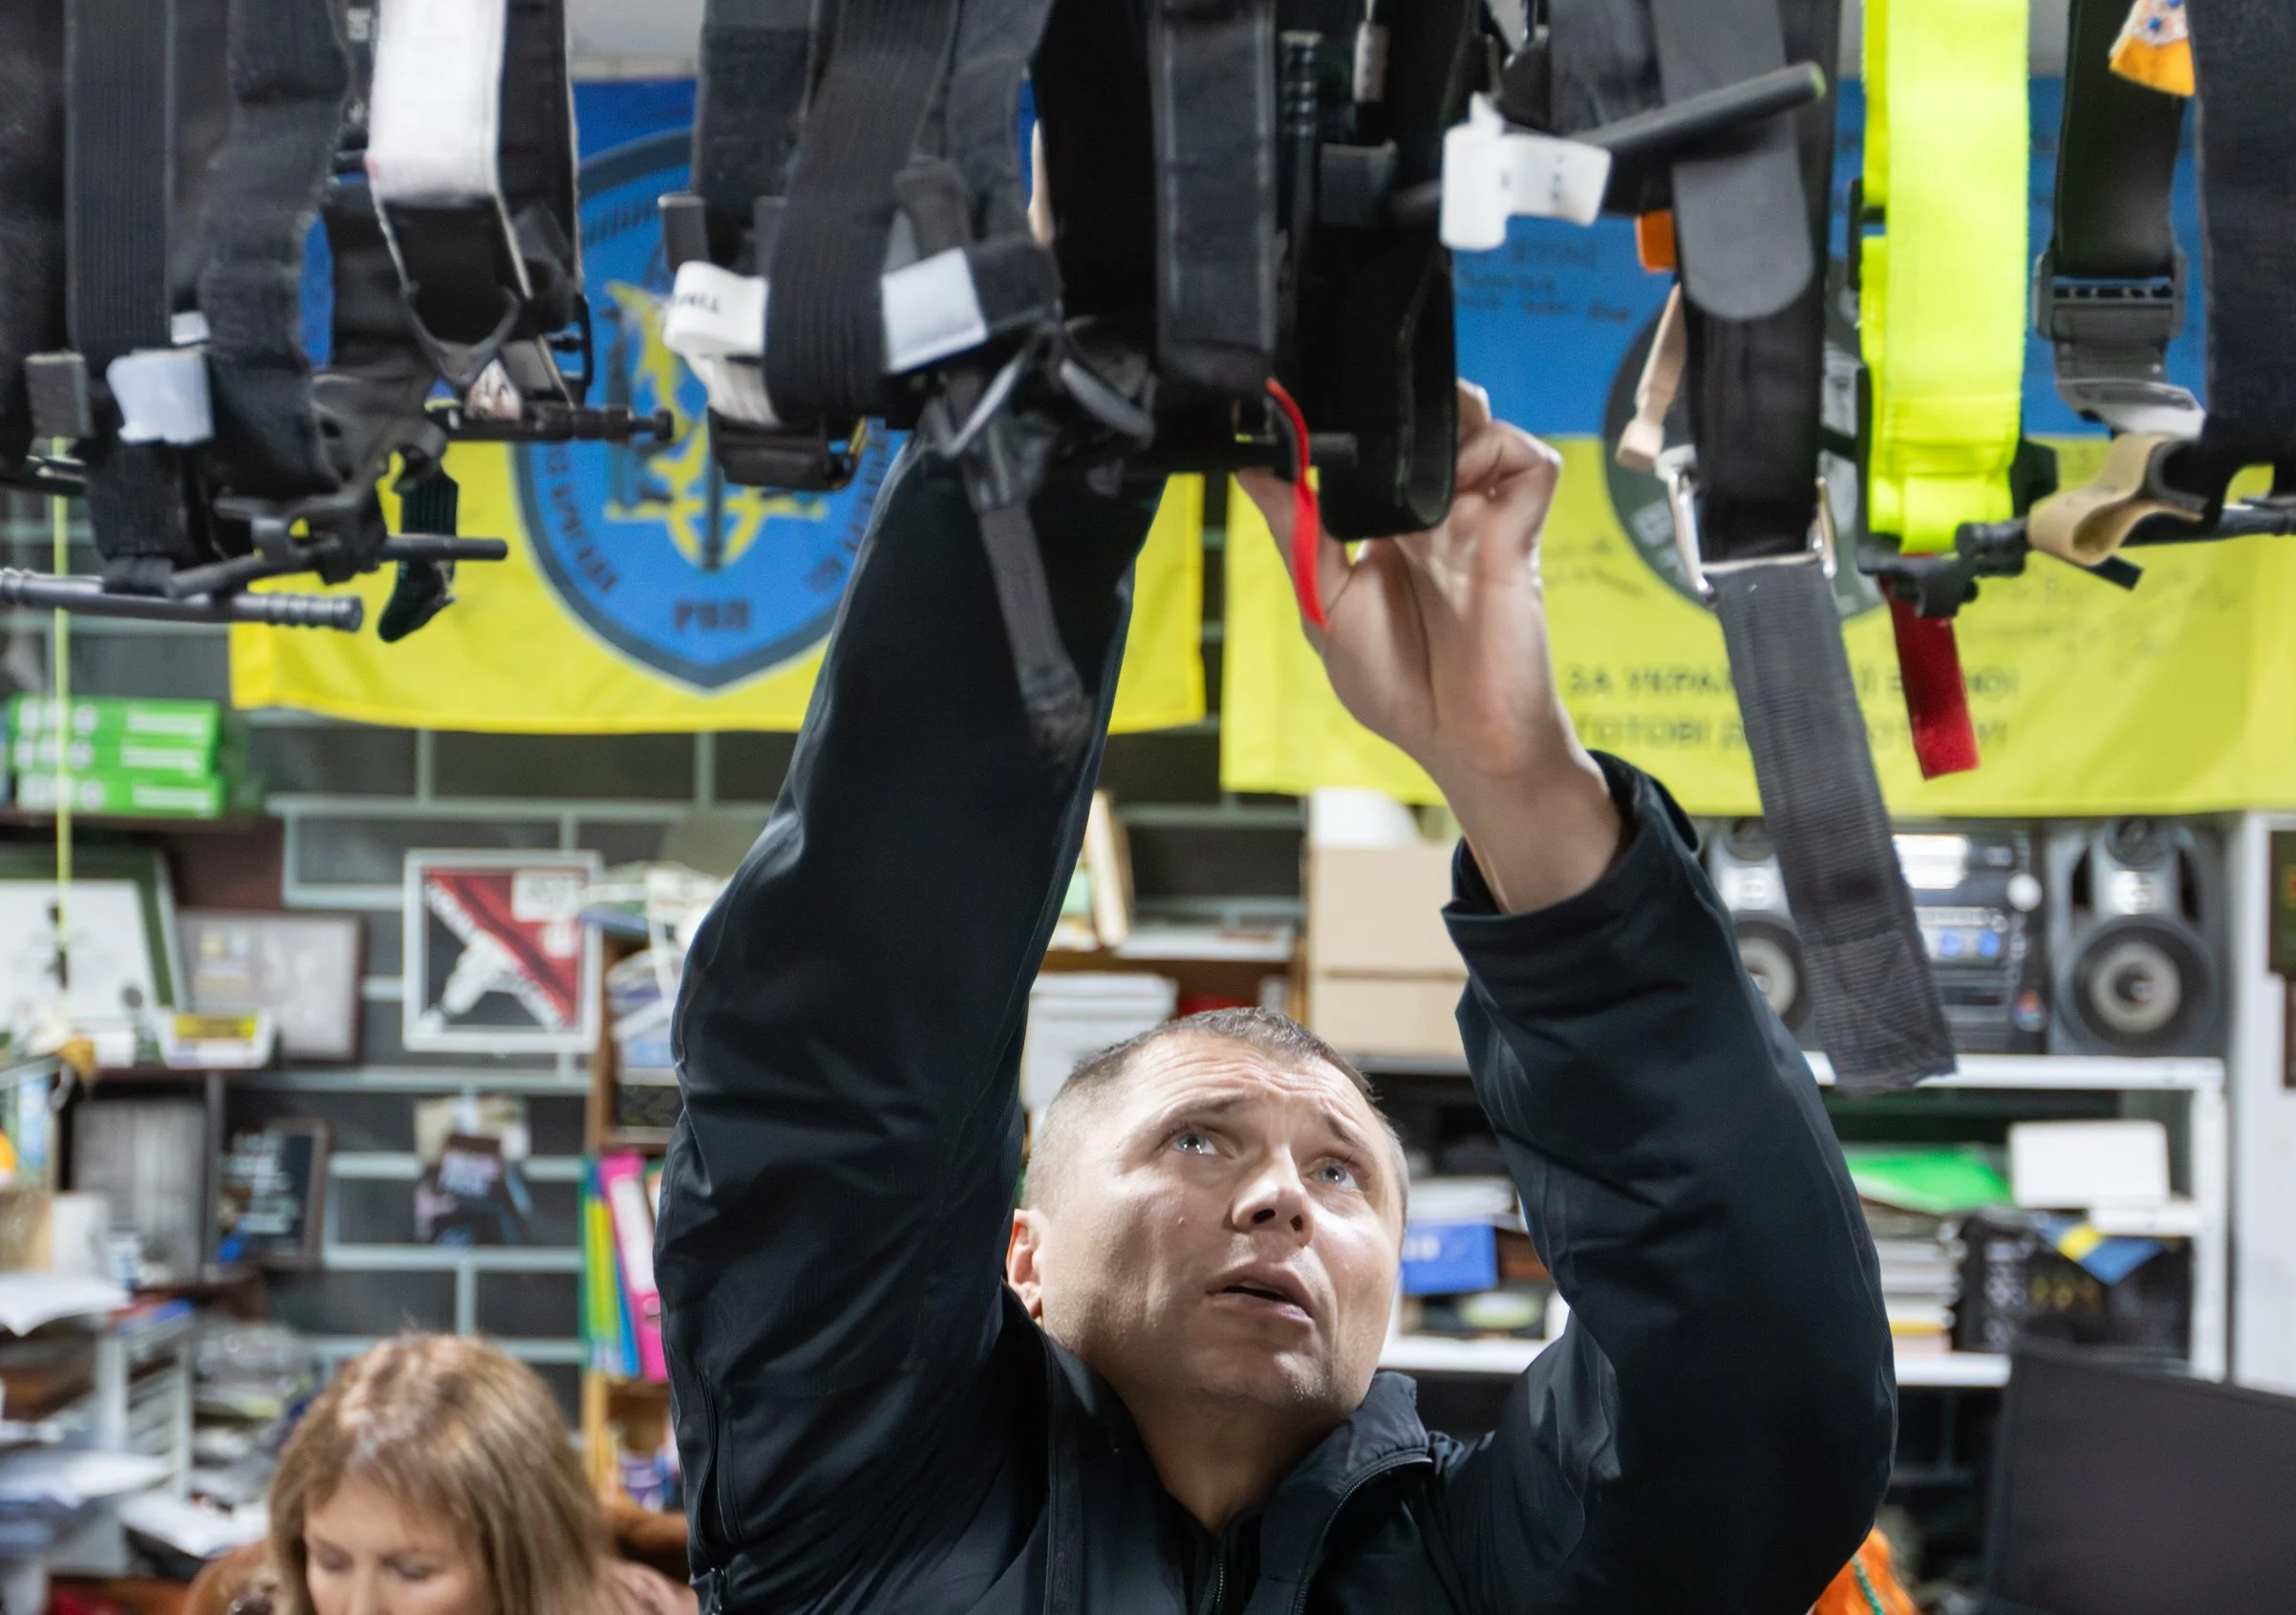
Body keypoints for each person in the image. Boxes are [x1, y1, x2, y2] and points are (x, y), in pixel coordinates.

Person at [655, 387, 1895, 1613]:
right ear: (1021, 1254)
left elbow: (1756, 1389)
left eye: (1343, 1173)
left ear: (1390, 1290)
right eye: (1199, 1137)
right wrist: (1047, 430)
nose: (1279, 1199)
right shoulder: (855, 1512)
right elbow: (845, 1064)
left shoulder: (1494, 1576)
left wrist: (1516, 777)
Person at [190, 1335, 696, 1615]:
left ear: (520, 1559)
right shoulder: (251, 1600)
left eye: (413, 1572)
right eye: (332, 1561)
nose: (361, 1610)